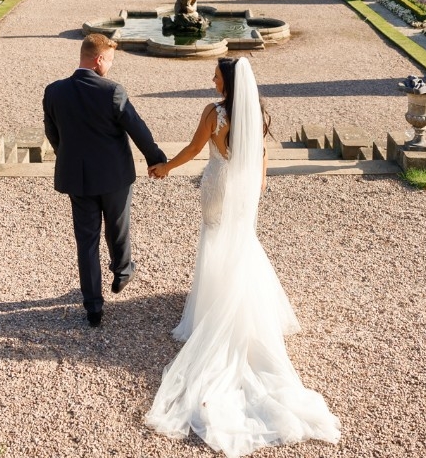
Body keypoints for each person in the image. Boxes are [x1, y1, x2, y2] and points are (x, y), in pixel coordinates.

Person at [145, 57, 341, 456]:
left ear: (230, 82)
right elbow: (262, 152)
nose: (212, 79)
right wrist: (260, 183)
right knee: (242, 242)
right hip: (244, 188)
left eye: (216, 75)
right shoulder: (256, 113)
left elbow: (194, 149)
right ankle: (244, 305)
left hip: (219, 185)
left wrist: (165, 167)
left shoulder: (214, 112)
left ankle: (213, 310)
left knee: (216, 240)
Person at [43, 33, 167, 327]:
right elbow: (138, 129)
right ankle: (122, 271)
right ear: (99, 60)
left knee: (86, 240)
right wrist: (157, 160)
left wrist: (68, 156)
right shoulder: (112, 91)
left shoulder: (54, 91)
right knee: (118, 225)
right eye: (109, 60)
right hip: (115, 176)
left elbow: (52, 133)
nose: (110, 66)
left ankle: (93, 308)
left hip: (78, 178)